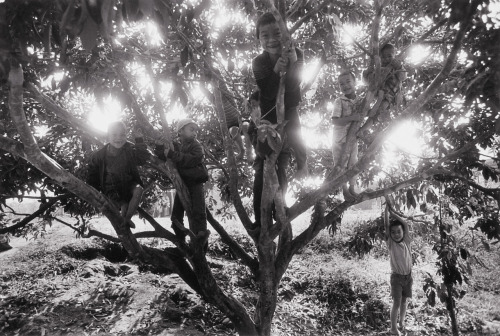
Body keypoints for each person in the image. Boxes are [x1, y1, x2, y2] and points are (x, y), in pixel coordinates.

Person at [251, 12, 308, 226]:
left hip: (289, 111)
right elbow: (266, 92)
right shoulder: (258, 62)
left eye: (277, 33)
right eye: (264, 35)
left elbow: (293, 88)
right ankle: (259, 219)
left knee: (282, 164)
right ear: (258, 39)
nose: (271, 39)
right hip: (268, 118)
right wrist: (276, 69)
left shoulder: (298, 53)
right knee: (262, 168)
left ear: (286, 35)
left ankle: (280, 208)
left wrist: (293, 63)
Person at [154, 119, 209, 245]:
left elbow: (194, 159)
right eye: (191, 129)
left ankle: (201, 235)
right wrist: (159, 146)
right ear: (180, 131)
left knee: (198, 211)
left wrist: (173, 155)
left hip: (195, 182)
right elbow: (164, 156)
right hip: (183, 184)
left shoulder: (197, 145)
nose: (195, 133)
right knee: (176, 214)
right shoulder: (176, 146)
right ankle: (180, 238)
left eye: (195, 130)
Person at [87, 121, 149, 228]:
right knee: (123, 205)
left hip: (128, 186)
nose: (118, 138)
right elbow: (92, 175)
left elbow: (142, 158)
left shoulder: (128, 150)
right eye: (114, 135)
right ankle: (123, 214)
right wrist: (93, 193)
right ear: (108, 136)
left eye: (122, 134)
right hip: (111, 189)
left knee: (139, 189)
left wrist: (139, 139)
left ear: (126, 135)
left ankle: (127, 219)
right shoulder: (100, 155)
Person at [360, 43, 406, 134]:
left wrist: (399, 67)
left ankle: (364, 128)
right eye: (383, 57)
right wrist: (365, 74)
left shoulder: (396, 65)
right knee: (365, 107)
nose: (386, 59)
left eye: (389, 56)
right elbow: (366, 82)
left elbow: (403, 77)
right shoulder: (378, 68)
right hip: (377, 92)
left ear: (394, 55)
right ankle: (361, 117)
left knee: (377, 113)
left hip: (390, 95)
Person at [331, 70, 361, 200]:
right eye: (341, 84)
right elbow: (335, 121)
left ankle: (352, 187)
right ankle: (344, 190)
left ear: (355, 82)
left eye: (348, 81)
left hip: (353, 138)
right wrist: (353, 117)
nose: (345, 85)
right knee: (340, 165)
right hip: (339, 139)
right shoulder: (339, 101)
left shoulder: (360, 101)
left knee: (353, 162)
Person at [385, 209, 413, 336]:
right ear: (390, 234)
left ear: (403, 232)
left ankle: (401, 323)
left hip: (408, 277)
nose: (396, 234)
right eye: (393, 232)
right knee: (397, 302)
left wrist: (393, 213)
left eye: (398, 232)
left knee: (404, 301)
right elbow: (386, 225)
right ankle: (393, 328)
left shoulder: (406, 241)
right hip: (397, 278)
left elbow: (405, 224)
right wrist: (387, 212)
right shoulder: (391, 243)